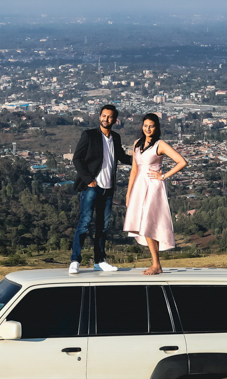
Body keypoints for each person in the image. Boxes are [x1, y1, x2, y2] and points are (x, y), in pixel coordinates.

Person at [70, 104, 133, 274]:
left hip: (108, 189)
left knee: (102, 227)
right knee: (84, 223)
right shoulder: (89, 135)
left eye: (110, 116)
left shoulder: (116, 138)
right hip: (91, 187)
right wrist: (89, 180)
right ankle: (75, 260)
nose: (106, 119)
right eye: (103, 116)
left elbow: (121, 157)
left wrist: (142, 159)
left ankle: (99, 261)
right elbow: (77, 159)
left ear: (115, 119)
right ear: (100, 117)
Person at [123, 113, 187, 275]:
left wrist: (163, 176)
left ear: (156, 127)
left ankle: (156, 264)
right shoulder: (137, 143)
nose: (148, 129)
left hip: (153, 186)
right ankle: (155, 264)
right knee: (144, 221)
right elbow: (134, 170)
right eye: (145, 125)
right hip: (139, 185)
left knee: (149, 221)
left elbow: (182, 162)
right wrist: (128, 193)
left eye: (151, 126)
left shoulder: (161, 144)